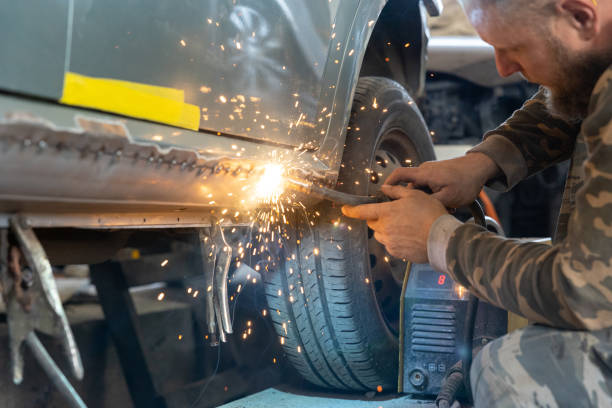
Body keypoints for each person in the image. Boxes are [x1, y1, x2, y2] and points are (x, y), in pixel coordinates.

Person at [342, 0, 612, 406]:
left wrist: (439, 239)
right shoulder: (596, 49)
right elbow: (577, 89)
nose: (502, 69)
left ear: (579, 16)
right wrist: (481, 163)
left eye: (514, 48)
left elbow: (584, 293)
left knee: (512, 369)